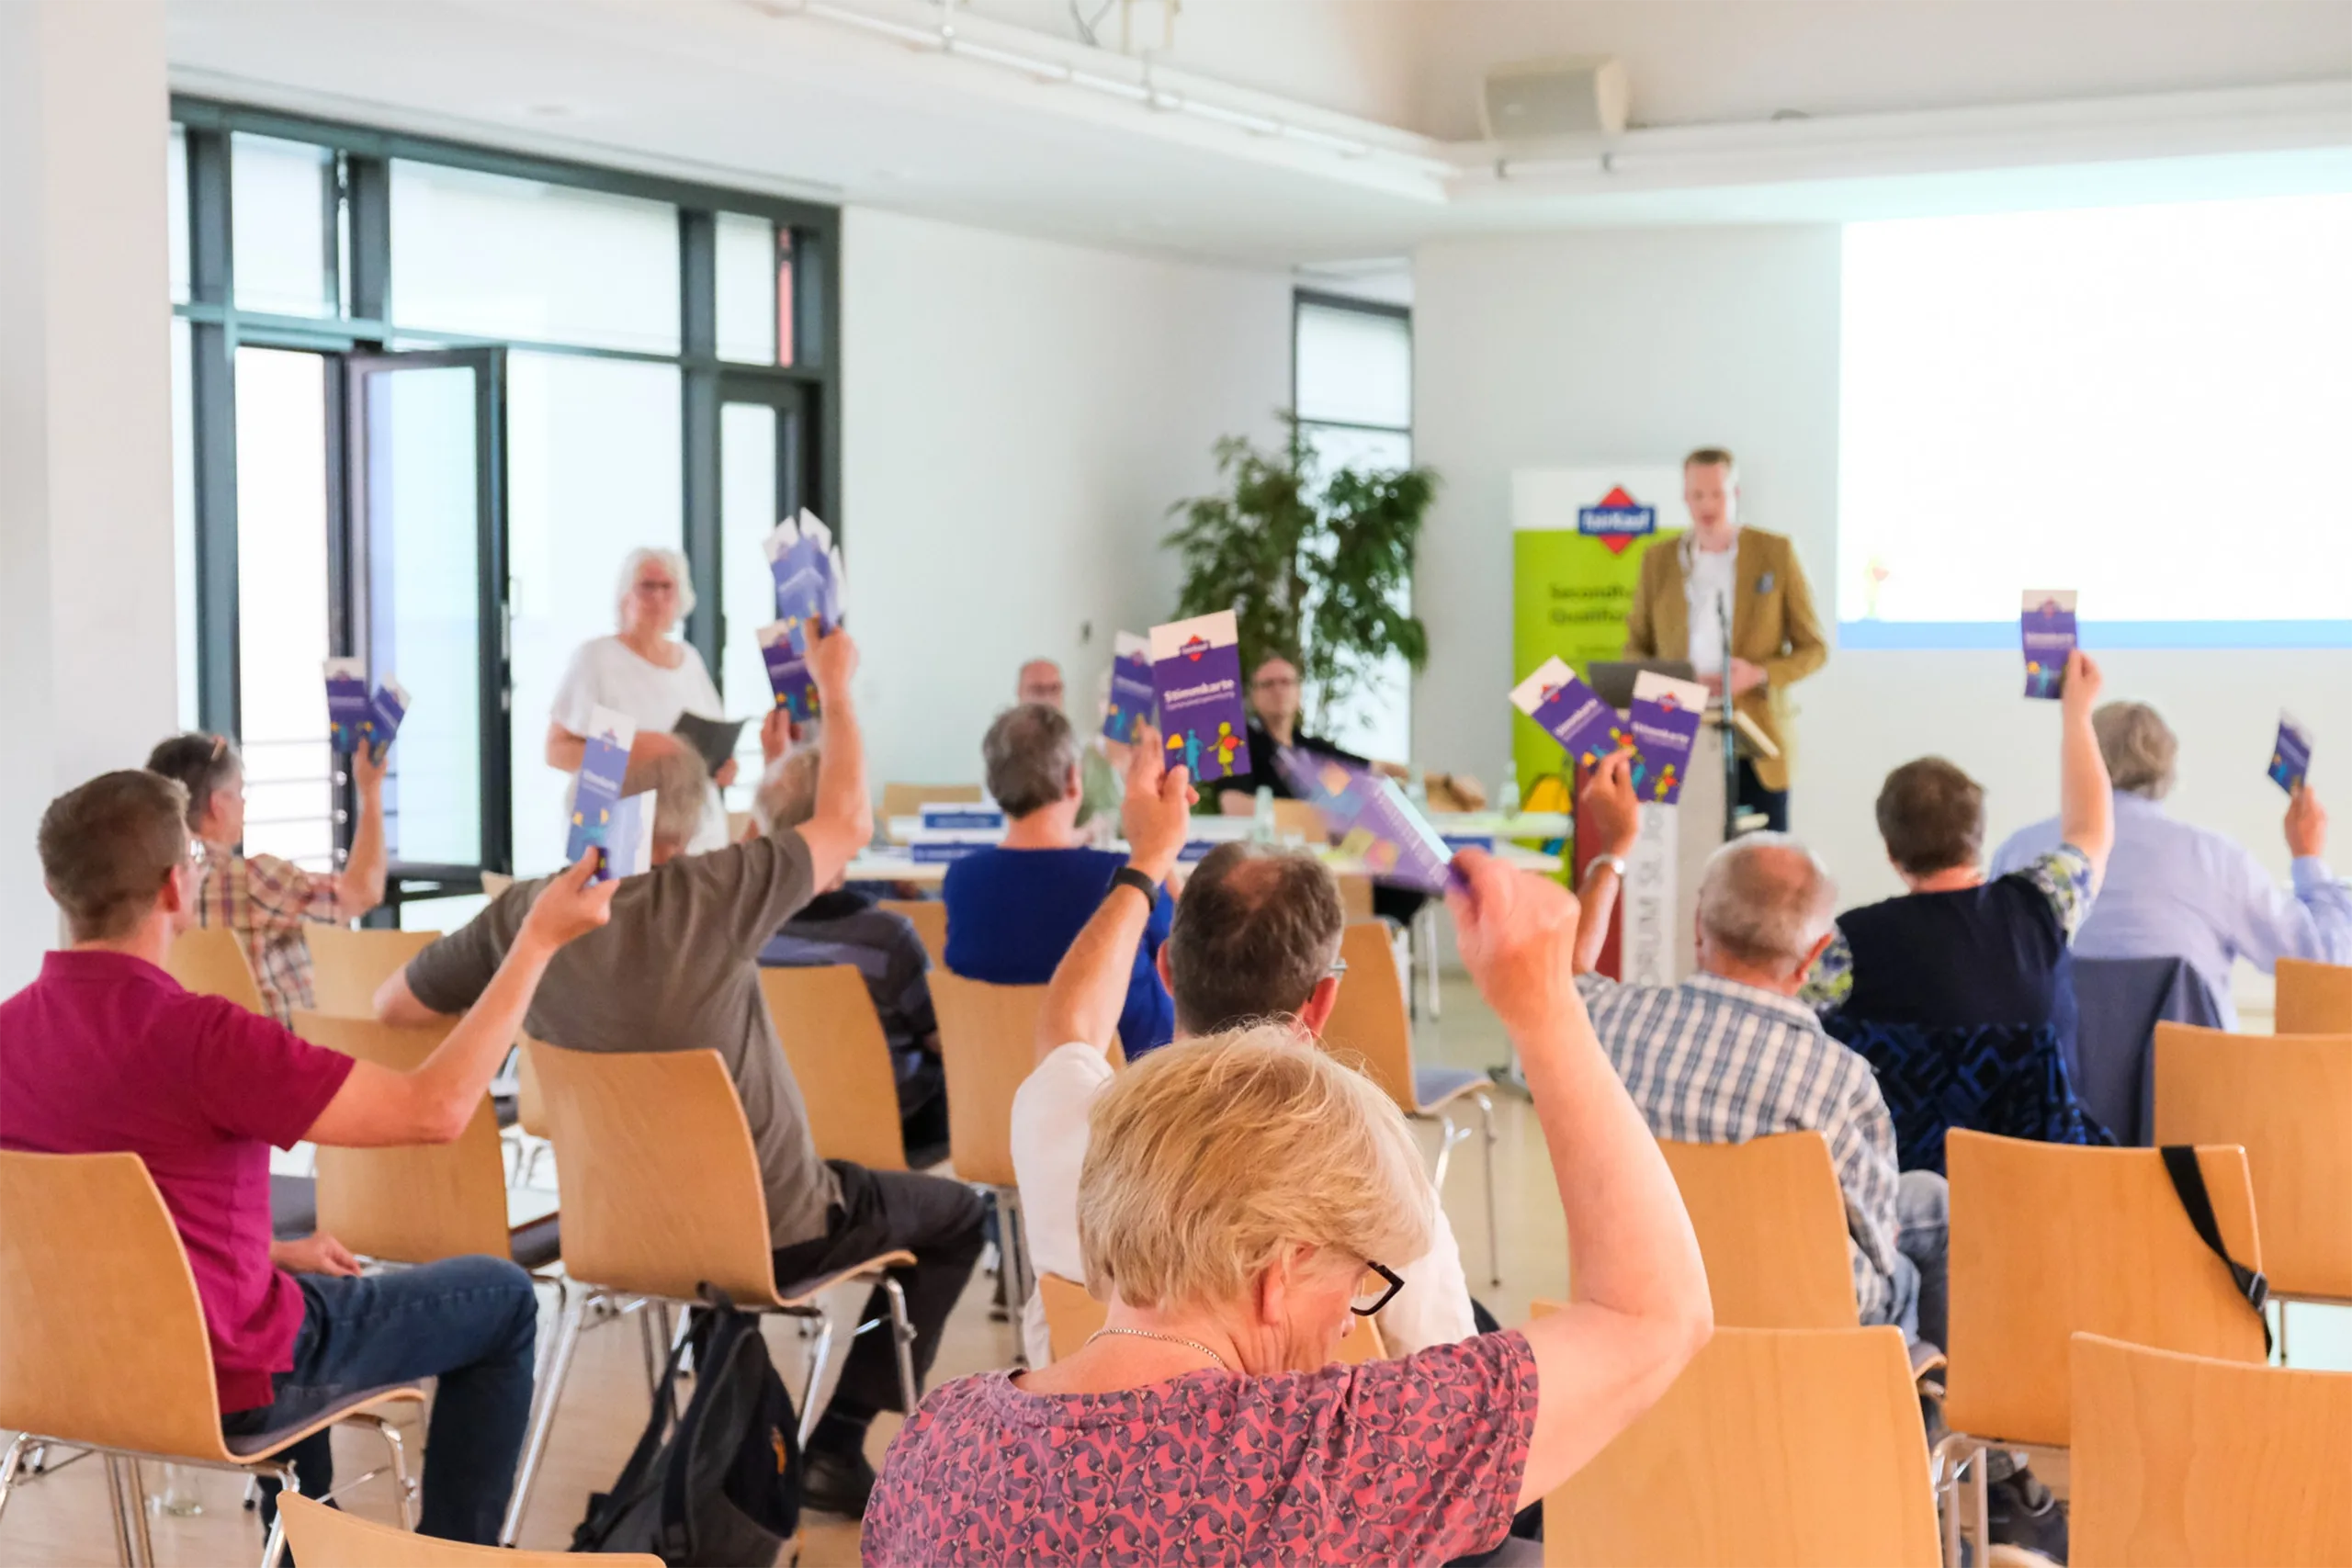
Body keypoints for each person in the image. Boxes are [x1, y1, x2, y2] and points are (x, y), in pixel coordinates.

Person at [865, 817, 1713, 1564]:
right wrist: (1544, 1007)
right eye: (1354, 1282)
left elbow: (1066, 1032)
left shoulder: (934, 1442)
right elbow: (1655, 1315)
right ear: (1279, 1272)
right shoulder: (1331, 1466)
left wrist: (1145, 855)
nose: (1351, 1320)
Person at [379, 629, 984, 1519]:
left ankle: (738, 1423)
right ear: (692, 824)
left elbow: (397, 1004)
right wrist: (838, 693)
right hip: (772, 1232)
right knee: (959, 1215)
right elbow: (846, 824)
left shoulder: (528, 912)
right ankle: (839, 1440)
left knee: (716, 1232)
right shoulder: (714, 893)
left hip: (614, 1228)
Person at [0, 769, 616, 1544]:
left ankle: (304, 1545)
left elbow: (77, 1218)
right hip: (224, 1380)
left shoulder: (7, 1035)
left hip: (55, 1373)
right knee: (500, 1297)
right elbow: (439, 1110)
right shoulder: (205, 1038)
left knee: (294, 1285)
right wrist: (536, 939)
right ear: (173, 888)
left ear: (58, 887)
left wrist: (270, 1251)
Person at [1009, 727, 1476, 1371]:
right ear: (1321, 1000)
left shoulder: (1069, 1121)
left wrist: (1149, 857)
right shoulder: (1377, 1174)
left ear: (1168, 972)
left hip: (1088, 1463)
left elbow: (1068, 1024)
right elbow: (1442, 1362)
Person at [1566, 751, 1944, 1352]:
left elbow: (1568, 972)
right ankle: (1924, 1421)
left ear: (1698, 923)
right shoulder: (1840, 1081)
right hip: (1799, 1321)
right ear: (1815, 952)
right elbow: (1874, 1248)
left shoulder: (1610, 1022)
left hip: (1646, 1289)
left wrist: (1617, 847)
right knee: (1922, 1223)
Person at [1806, 649, 2115, 1071]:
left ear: (1892, 852)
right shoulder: (2047, 902)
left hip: (1907, 1140)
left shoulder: (1843, 947)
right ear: (1979, 836)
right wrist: (2077, 715)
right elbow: (2091, 828)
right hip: (2040, 1139)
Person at [1991, 700, 2352, 1027]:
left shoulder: (2019, 854)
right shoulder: (2216, 860)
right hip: (2190, 1093)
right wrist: (2308, 859)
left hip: (2053, 1092)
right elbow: (2322, 961)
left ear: (2080, 762)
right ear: (2168, 772)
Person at [943, 704, 1175, 1056]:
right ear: (1072, 779)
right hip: (1121, 1097)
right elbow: (1186, 956)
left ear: (994, 783)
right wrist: (1157, 849)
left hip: (994, 1099)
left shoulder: (961, 880)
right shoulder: (1121, 879)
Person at [753, 744, 947, 1154]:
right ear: (850, 826)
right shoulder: (887, 938)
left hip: (789, 1124)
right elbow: (938, 1038)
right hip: (898, 1124)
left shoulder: (749, 931)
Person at [1623, 448, 1827, 833]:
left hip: (1757, 739)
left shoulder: (1776, 553)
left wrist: (1760, 674)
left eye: (1716, 494)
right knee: (1685, 858)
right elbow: (1635, 648)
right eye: (1697, 495)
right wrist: (1676, 679)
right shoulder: (1658, 560)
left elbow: (1814, 648)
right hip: (1677, 733)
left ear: (1736, 493)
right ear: (1684, 497)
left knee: (1763, 867)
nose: (1707, 505)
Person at [146, 731, 391, 1024]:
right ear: (218, 805)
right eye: (239, 793)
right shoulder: (254, 882)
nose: (244, 805)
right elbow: (364, 891)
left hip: (192, 1060)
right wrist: (371, 791)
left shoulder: (144, 892)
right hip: (272, 1058)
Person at [546, 547, 732, 855]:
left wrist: (721, 768)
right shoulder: (596, 658)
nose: (657, 597)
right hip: (617, 830)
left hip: (695, 834)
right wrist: (635, 751)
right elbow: (555, 751)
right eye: (647, 586)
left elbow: (710, 747)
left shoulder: (691, 660)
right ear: (625, 595)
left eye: (667, 587)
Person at [1213, 652, 1421, 922]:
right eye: (1268, 684)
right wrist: (1314, 815)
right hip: (1279, 862)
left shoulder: (1309, 748)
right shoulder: (1238, 745)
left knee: (1408, 876)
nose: (1278, 690)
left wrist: (1438, 781)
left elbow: (1374, 769)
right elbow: (1233, 805)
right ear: (1254, 695)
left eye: (1286, 682)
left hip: (1335, 856)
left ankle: (1376, 944)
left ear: (1299, 693)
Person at [1015, 657, 1123, 830]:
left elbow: (1109, 815)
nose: (1047, 699)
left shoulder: (1085, 754)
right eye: (1038, 690)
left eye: (1054, 689)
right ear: (1019, 693)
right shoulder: (1003, 752)